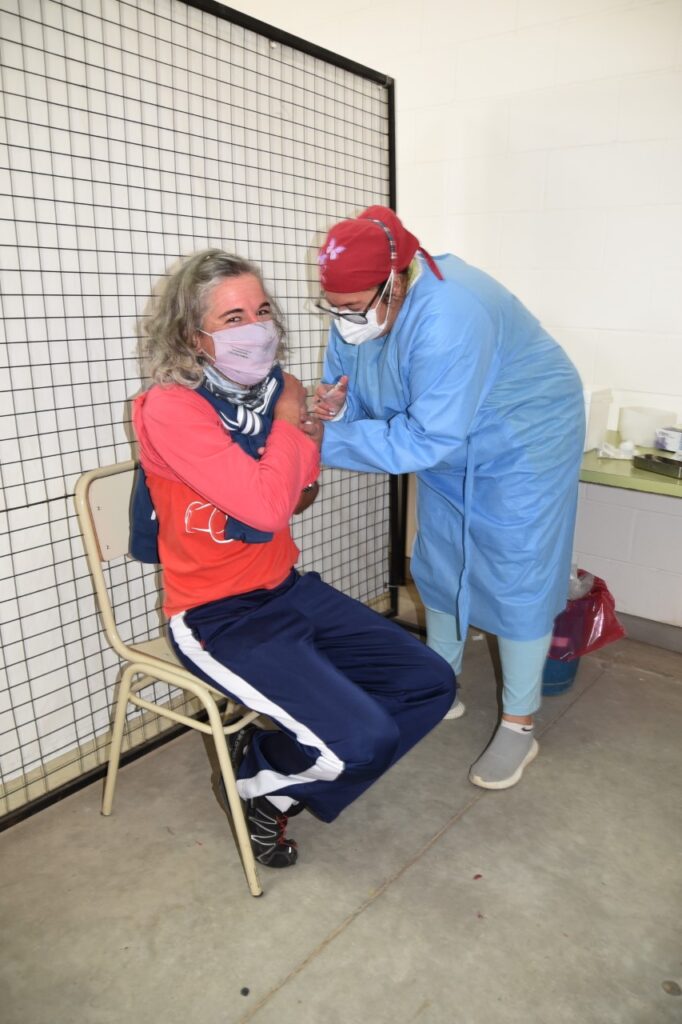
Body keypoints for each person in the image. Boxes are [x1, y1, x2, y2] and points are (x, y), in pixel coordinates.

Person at [131, 248, 455, 869]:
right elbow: (263, 510)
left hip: (285, 588)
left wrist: (310, 429)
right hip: (215, 616)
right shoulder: (170, 406)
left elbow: (298, 496)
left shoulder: (276, 392)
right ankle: (260, 779)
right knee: (362, 740)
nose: (256, 328)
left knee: (429, 684)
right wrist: (289, 421)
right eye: (232, 318)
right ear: (192, 336)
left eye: (261, 311)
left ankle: (274, 782)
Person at [313, 206, 585, 791]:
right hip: (447, 443)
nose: (343, 320)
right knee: (439, 557)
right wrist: (335, 409)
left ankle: (519, 725)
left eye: (353, 305)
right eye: (332, 306)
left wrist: (316, 444)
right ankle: (438, 685)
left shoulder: (451, 313)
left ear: (396, 281)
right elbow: (349, 389)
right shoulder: (359, 310)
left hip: (523, 438)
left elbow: (424, 438)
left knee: (516, 571)